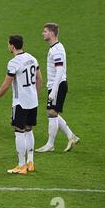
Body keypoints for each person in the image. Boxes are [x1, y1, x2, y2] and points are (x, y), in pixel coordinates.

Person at [0, 35, 42, 174]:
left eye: (8, 44)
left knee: (19, 131)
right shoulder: (32, 58)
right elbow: (39, 78)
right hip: (33, 101)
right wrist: (35, 95)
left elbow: (7, 84)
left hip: (21, 102)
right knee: (29, 129)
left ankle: (21, 165)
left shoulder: (13, 63)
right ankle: (30, 162)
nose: (8, 46)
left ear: (12, 46)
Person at [36, 23, 80, 153]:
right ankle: (71, 137)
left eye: (45, 31)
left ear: (52, 33)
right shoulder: (54, 48)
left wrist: (54, 90)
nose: (43, 33)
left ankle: (50, 144)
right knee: (52, 112)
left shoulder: (57, 50)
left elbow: (60, 70)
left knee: (52, 113)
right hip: (56, 84)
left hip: (58, 85)